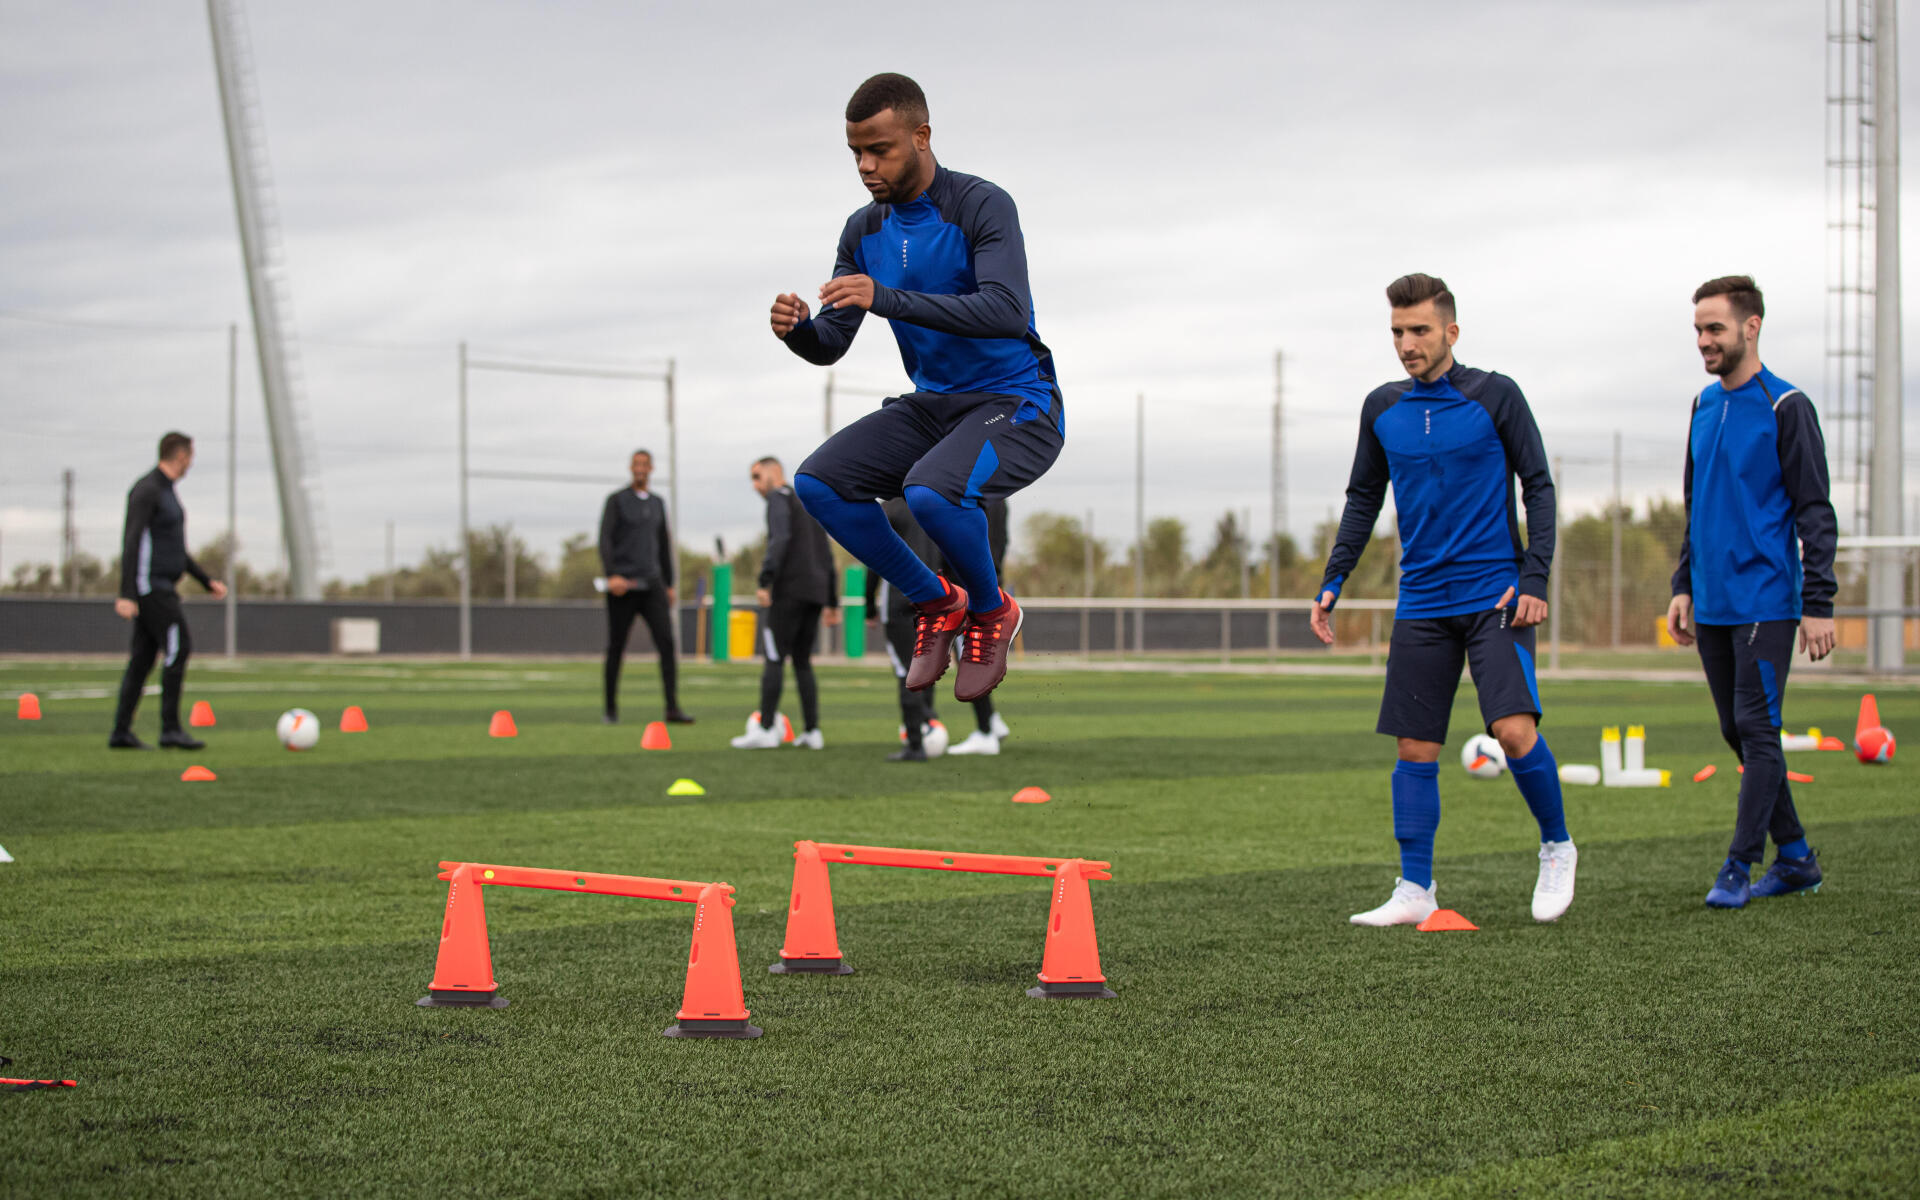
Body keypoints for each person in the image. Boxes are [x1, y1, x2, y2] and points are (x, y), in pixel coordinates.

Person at [769, 71, 1064, 706]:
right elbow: (832, 343)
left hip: (1017, 403)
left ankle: (992, 613)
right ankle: (938, 600)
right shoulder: (862, 232)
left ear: (922, 135)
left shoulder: (982, 204)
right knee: (818, 483)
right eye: (855, 153)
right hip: (936, 407)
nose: (866, 166)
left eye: (881, 149)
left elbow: (1006, 311)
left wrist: (890, 298)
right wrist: (799, 333)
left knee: (930, 493)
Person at [1311, 274, 1575, 926]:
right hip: (1422, 600)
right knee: (1414, 749)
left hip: (1496, 595)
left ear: (1451, 332)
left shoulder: (1496, 395)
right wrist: (1334, 579)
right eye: (1398, 332)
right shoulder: (1382, 408)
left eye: (1419, 330)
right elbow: (1362, 498)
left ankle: (1557, 845)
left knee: (1514, 732)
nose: (1407, 343)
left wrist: (1536, 579)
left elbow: (1538, 486)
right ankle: (1415, 888)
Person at [1666, 276, 1836, 909]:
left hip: (1768, 599)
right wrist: (1683, 585)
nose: (1705, 341)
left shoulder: (1786, 406)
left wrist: (1818, 602)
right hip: (1709, 600)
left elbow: (1815, 511)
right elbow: (1696, 502)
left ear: (1751, 326)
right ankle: (1795, 858)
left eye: (1715, 329)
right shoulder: (1702, 407)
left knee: (1757, 728)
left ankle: (1740, 864)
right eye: (1699, 331)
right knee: (1737, 732)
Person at [110, 431, 226, 750]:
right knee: (179, 647)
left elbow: (176, 550)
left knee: (142, 659)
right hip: (152, 588)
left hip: (160, 586)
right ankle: (170, 729)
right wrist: (127, 593)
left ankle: (121, 732)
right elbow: (131, 540)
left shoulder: (168, 493)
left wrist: (205, 580)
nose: (192, 463)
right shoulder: (147, 490)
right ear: (181, 456)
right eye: (191, 456)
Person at [733, 457, 839, 749]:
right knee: (803, 662)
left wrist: (766, 579)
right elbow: (826, 552)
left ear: (774, 472)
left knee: (775, 656)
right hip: (815, 592)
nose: (755, 484)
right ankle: (812, 731)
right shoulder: (807, 502)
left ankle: (766, 728)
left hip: (789, 590)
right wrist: (831, 600)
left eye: (757, 476)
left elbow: (779, 539)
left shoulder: (777, 500)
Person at [599, 449, 692, 725]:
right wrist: (612, 575)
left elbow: (663, 546)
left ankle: (672, 709)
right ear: (631, 467)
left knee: (666, 643)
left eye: (645, 464)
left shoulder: (658, 503)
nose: (640, 469)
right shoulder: (616, 501)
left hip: (653, 584)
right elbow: (605, 540)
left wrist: (670, 583)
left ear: (651, 468)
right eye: (636, 464)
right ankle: (610, 710)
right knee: (616, 646)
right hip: (623, 586)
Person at [872, 497, 944, 761]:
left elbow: (874, 556)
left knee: (906, 671)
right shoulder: (932, 505)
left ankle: (915, 744)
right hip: (934, 599)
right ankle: (928, 726)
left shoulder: (889, 510)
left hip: (900, 601)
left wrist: (869, 602)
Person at [948, 497, 1013, 755]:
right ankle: (992, 721)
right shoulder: (999, 496)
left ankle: (985, 731)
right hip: (990, 581)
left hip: (968, 585)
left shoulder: (963, 493)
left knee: (969, 659)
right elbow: (1003, 541)